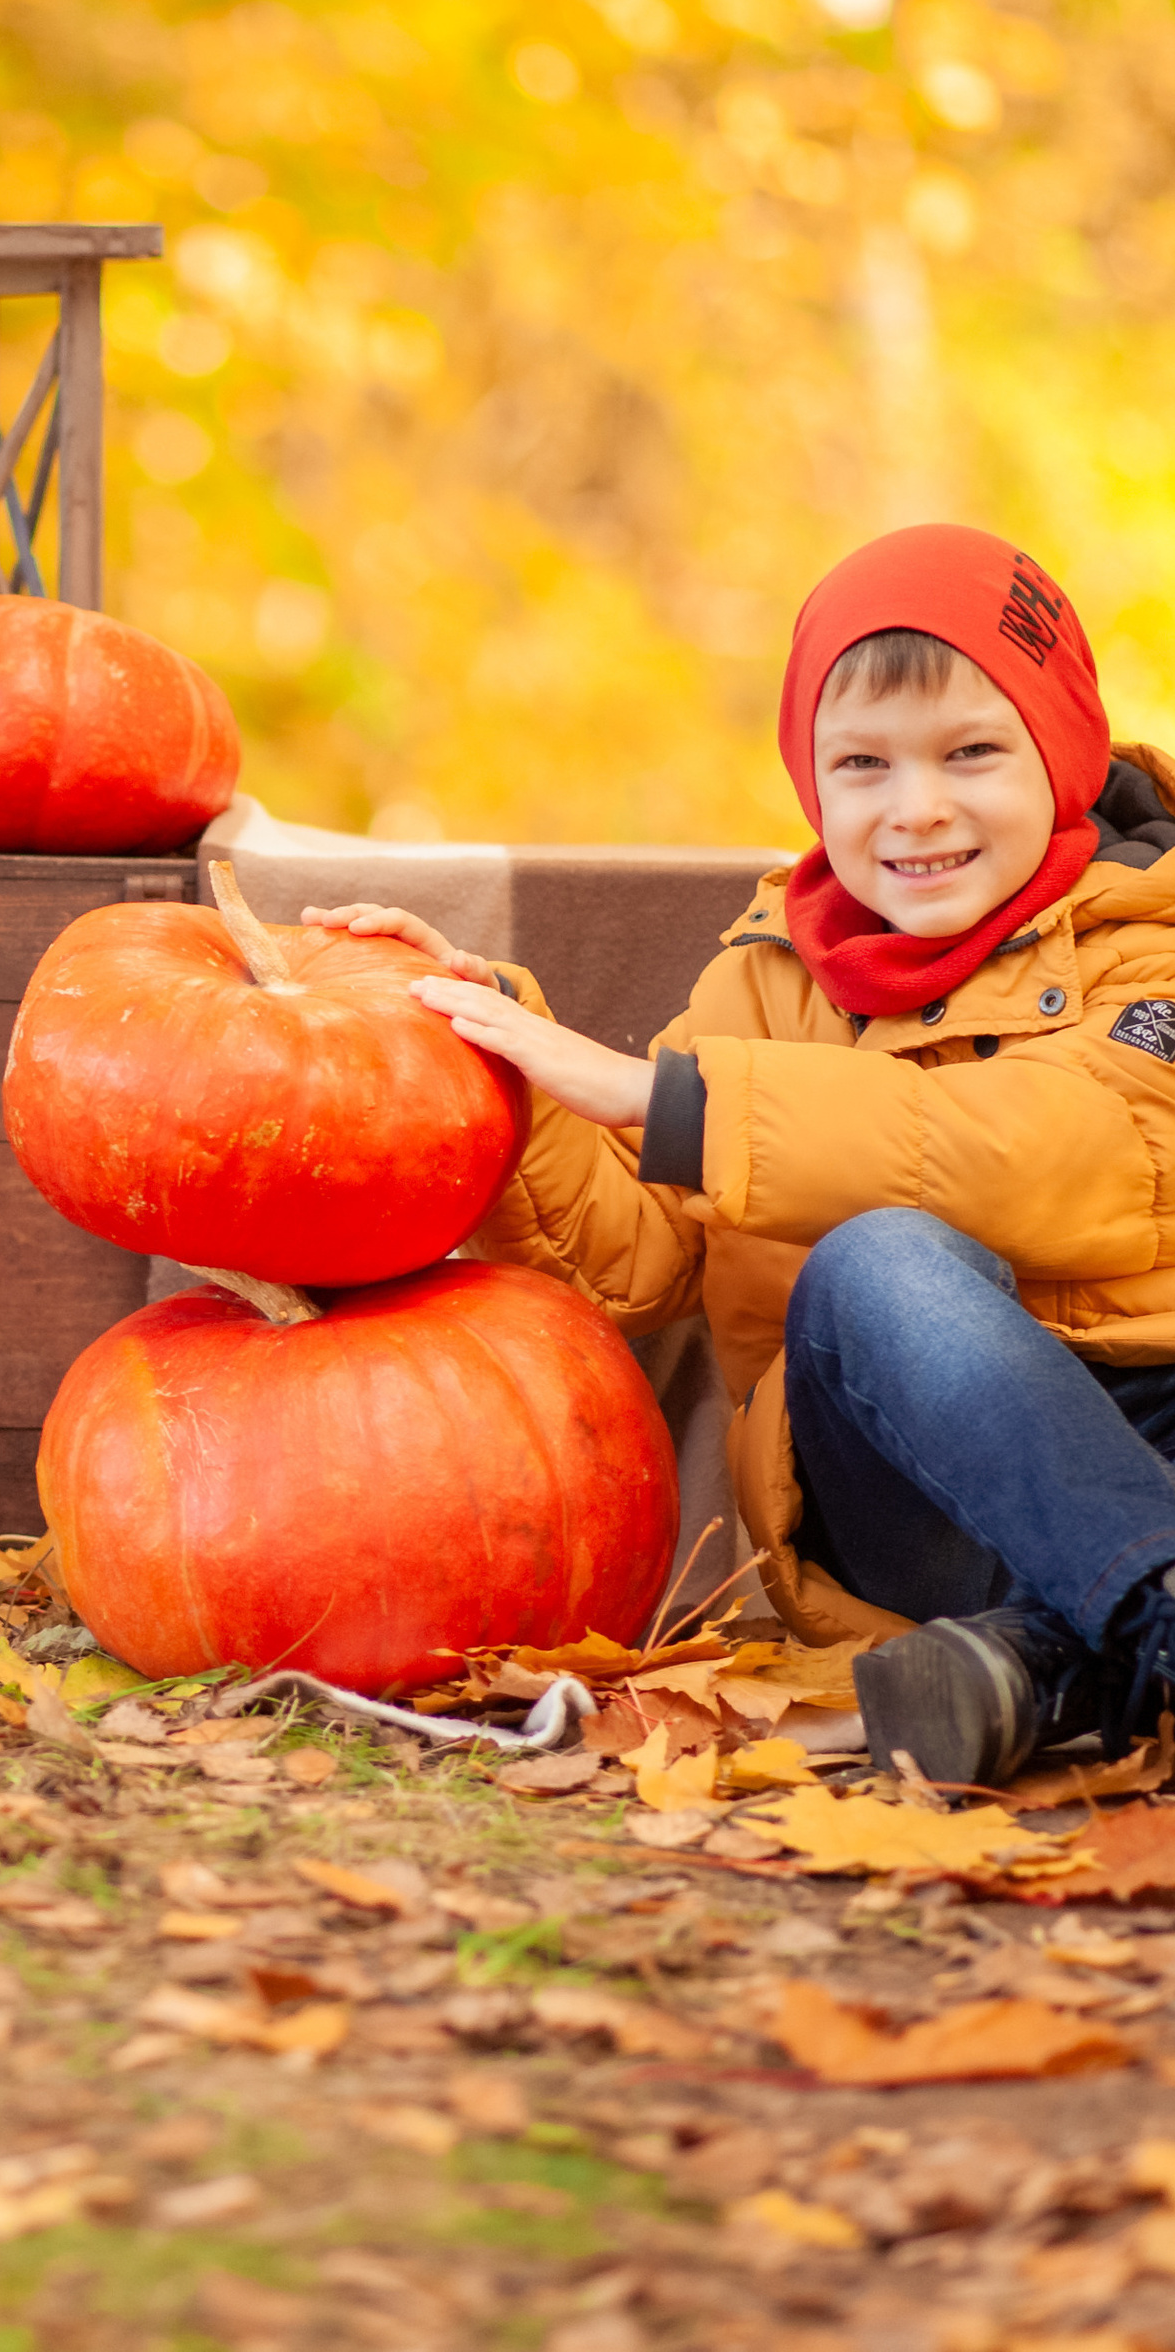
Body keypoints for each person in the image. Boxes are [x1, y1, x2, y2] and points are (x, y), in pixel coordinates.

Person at [307, 524, 1175, 1786]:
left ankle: (1042, 1666)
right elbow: (633, 1267)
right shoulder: (769, 979)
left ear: (1063, 751)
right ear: (810, 781)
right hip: (912, 1495)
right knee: (873, 1265)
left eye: (971, 753)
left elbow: (1069, 1152)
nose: (916, 807)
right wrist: (507, 1055)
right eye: (862, 763)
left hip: (1150, 1428)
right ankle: (1146, 1608)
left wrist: (678, 1101)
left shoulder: (1147, 939)